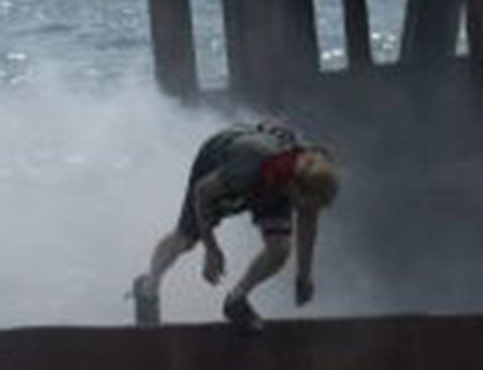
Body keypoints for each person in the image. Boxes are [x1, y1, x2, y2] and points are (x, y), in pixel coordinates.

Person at [133, 122, 339, 332]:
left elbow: (308, 225)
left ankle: (236, 300)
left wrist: (304, 276)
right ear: (295, 186)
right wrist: (211, 248)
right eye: (302, 205)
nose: (304, 212)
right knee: (185, 240)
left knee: (280, 248)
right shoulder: (252, 164)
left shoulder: (311, 176)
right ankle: (148, 287)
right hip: (218, 162)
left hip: (271, 181)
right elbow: (202, 193)